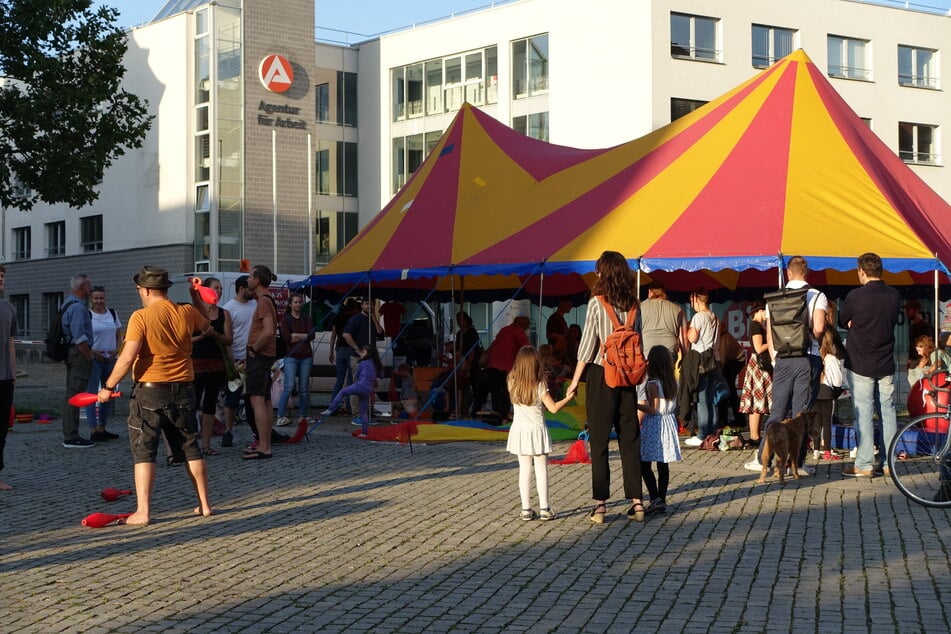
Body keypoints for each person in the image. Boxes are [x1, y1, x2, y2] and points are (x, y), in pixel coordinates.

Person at [96, 265, 212, 525]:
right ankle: (204, 504)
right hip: (184, 389)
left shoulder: (141, 316)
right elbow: (207, 324)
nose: (139, 293)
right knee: (191, 447)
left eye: (139, 289)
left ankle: (143, 512)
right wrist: (196, 296)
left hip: (150, 392)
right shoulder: (185, 311)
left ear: (146, 290)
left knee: (145, 450)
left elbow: (127, 357)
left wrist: (108, 387)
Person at [566, 251, 645, 524]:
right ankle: (637, 502)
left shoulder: (597, 304)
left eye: (598, 271)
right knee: (629, 439)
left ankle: (600, 506)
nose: (596, 275)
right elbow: (640, 344)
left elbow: (586, 348)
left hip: (602, 375)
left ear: (604, 273)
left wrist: (575, 382)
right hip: (629, 378)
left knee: (599, 441)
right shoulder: (635, 304)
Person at [758, 256, 827, 476]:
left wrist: (774, 357)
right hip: (808, 357)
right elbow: (817, 329)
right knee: (801, 414)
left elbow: (769, 333)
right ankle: (796, 464)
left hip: (782, 359)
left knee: (777, 410)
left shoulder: (774, 298)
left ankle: (764, 460)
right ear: (807, 273)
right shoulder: (817, 296)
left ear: (788, 273)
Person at [839, 252, 901, 478]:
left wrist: (854, 322)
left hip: (860, 363)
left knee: (863, 412)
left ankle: (864, 464)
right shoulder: (894, 296)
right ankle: (888, 463)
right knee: (888, 413)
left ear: (862, 271)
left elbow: (840, 319)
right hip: (885, 362)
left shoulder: (855, 296)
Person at [505, 346, 576, 521]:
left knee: (524, 470)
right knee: (541, 469)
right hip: (537, 430)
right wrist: (568, 397)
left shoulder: (511, 381)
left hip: (519, 430)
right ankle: (545, 508)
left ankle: (526, 509)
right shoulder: (540, 385)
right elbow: (553, 408)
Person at [636, 346, 681, 516]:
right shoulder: (673, 382)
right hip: (668, 422)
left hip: (655, 424)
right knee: (663, 464)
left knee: (644, 463)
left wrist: (635, 404)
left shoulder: (653, 384)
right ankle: (661, 498)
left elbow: (653, 409)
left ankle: (655, 497)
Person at [190, 277, 232, 456]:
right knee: (191, 405)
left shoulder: (224, 314)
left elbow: (229, 340)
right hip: (196, 364)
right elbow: (185, 340)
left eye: (221, 288)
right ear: (206, 291)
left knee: (210, 405)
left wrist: (215, 334)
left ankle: (206, 445)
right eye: (216, 288)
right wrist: (202, 336)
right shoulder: (193, 312)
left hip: (216, 365)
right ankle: (190, 445)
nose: (220, 291)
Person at [243, 264, 279, 460]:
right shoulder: (266, 300)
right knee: (264, 400)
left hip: (260, 355)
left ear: (257, 280)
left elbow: (268, 331)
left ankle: (264, 446)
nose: (247, 280)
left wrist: (254, 348)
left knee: (257, 400)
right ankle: (265, 443)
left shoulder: (263, 302)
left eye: (249, 277)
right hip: (264, 355)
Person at [471, 315, 531, 422]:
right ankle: (502, 416)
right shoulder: (519, 332)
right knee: (505, 391)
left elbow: (494, 344)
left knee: (483, 394)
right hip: (505, 369)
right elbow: (527, 350)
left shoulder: (504, 329)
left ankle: (474, 414)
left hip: (489, 368)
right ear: (525, 325)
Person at [681, 288, 719, 447]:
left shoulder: (698, 317)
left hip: (700, 360)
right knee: (712, 399)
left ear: (697, 300)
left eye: (692, 301)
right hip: (713, 360)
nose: (692, 305)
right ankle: (713, 431)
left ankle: (703, 433)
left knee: (702, 398)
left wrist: (688, 330)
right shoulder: (714, 316)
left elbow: (692, 338)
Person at [84, 286, 122, 442]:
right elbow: (83, 338)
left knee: (108, 394)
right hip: (95, 359)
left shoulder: (112, 314)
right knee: (92, 395)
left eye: (101, 298)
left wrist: (117, 351)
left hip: (110, 359)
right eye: (96, 298)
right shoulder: (88, 315)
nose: (99, 301)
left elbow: (119, 334)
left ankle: (102, 428)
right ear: (91, 300)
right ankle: (93, 429)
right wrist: (93, 352)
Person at [221, 275, 255, 448]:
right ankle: (228, 431)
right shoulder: (229, 308)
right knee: (232, 399)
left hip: (253, 358)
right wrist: (230, 361)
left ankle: (257, 432)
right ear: (242, 288)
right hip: (236, 358)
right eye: (250, 288)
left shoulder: (255, 305)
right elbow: (227, 338)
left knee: (253, 398)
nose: (253, 291)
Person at [62, 273, 96, 448]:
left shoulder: (68, 302)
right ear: (82, 287)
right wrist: (89, 356)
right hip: (78, 354)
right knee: (75, 394)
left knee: (72, 392)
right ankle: (71, 436)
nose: (91, 288)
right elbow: (79, 337)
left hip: (73, 353)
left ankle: (70, 433)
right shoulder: (77, 307)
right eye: (89, 285)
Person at [320, 346, 382, 437]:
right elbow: (381, 376)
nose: (360, 353)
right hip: (367, 390)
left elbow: (356, 375)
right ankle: (364, 433)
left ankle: (330, 409)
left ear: (368, 354)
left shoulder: (363, 363)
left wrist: (358, 366)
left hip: (359, 386)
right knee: (363, 412)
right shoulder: (377, 365)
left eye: (362, 352)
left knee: (342, 392)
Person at [342, 298, 384, 426]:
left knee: (369, 386)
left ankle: (367, 413)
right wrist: (357, 349)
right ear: (362, 305)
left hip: (371, 359)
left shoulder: (371, 319)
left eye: (372, 304)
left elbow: (381, 334)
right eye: (367, 304)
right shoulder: (356, 319)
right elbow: (346, 334)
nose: (369, 306)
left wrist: (374, 318)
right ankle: (357, 415)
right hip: (358, 357)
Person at [739, 300, 772, 457]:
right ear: (759, 311)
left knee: (757, 401)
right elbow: (758, 348)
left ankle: (755, 435)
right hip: (758, 365)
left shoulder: (758, 325)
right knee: (757, 401)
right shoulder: (756, 325)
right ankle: (754, 435)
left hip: (758, 365)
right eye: (765, 311)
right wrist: (772, 343)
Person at [276, 293, 315, 425]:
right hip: (291, 356)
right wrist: (303, 336)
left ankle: (302, 415)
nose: (298, 305)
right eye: (296, 302)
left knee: (304, 387)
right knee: (288, 386)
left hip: (306, 356)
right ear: (290, 304)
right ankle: (281, 414)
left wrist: (296, 335)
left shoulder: (306, 318)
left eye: (300, 302)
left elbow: (311, 335)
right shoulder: (286, 319)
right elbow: (287, 338)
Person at [814, 326, 846, 461]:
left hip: (815, 392)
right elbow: (838, 380)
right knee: (827, 423)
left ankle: (815, 450)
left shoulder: (815, 357)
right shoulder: (831, 359)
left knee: (816, 422)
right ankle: (826, 450)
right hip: (827, 393)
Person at [639, 280, 688, 367]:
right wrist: (684, 356)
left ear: (650, 292)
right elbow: (683, 337)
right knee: (666, 378)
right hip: (669, 352)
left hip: (647, 352)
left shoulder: (640, 308)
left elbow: (635, 333)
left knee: (650, 378)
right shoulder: (678, 309)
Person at [0, 265, 17, 490]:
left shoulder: (9, 308)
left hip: (4, 378)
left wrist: (13, 374)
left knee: (1, 428)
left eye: (2, 276)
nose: (0, 279)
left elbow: (11, 343)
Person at [328, 297, 359, 415]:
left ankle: (333, 407)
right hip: (351, 349)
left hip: (339, 349)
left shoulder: (338, 316)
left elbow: (333, 335)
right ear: (355, 307)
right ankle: (350, 407)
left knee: (339, 380)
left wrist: (331, 351)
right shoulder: (355, 318)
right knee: (351, 381)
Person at [454, 310, 481, 416]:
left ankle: (474, 410)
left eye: (460, 320)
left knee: (474, 386)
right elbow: (457, 349)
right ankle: (462, 410)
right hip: (461, 364)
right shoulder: (459, 333)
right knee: (461, 388)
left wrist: (469, 365)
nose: (458, 323)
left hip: (472, 363)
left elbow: (473, 350)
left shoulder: (472, 332)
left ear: (465, 321)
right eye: (457, 321)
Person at [904, 299, 933, 370]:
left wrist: (924, 360)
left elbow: (929, 344)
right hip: (914, 360)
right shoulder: (911, 327)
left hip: (922, 361)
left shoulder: (925, 326)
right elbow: (911, 345)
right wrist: (910, 359)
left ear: (916, 310)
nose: (906, 312)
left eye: (908, 309)